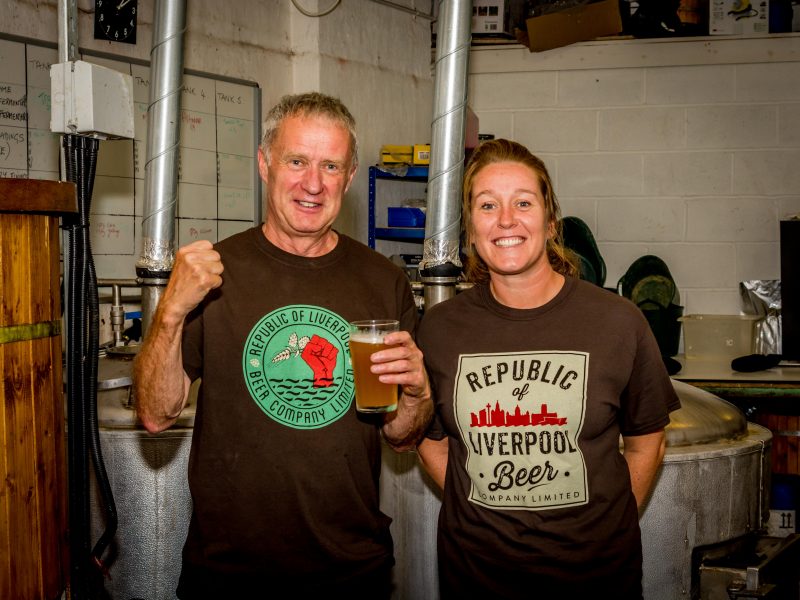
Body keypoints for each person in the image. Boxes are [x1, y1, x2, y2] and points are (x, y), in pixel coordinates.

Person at [133, 92, 433, 599]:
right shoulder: (215, 274)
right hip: (229, 573)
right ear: (265, 164)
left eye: (330, 166)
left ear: (350, 176)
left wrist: (419, 394)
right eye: (297, 161)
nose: (313, 184)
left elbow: (401, 437)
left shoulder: (384, 281)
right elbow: (156, 414)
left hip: (351, 570)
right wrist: (171, 311)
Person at [415, 138, 680, 599]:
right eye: (487, 205)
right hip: (477, 575)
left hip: (597, 577)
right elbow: (428, 438)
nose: (506, 220)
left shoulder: (618, 321)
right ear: (470, 230)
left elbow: (648, 442)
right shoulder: (439, 329)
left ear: (550, 220)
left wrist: (606, 526)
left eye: (523, 202)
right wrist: (488, 510)